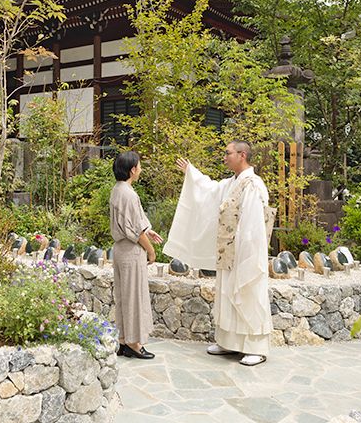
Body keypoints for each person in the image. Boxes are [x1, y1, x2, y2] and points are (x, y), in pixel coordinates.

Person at [163, 141, 272, 366]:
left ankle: (255, 347)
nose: (224, 157)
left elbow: (253, 225)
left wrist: (246, 251)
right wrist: (191, 173)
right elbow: (209, 189)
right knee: (226, 294)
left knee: (247, 293)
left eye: (228, 153)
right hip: (228, 251)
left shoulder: (252, 184)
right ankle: (229, 342)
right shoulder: (231, 182)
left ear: (242, 155)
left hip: (244, 251)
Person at [109, 150, 163, 359]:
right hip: (131, 252)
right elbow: (135, 231)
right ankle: (134, 343)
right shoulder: (129, 194)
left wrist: (146, 230)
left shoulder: (118, 190)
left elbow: (129, 223)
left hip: (120, 249)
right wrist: (151, 251)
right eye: (139, 166)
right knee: (134, 297)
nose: (140, 169)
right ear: (132, 169)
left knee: (123, 297)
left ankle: (123, 340)